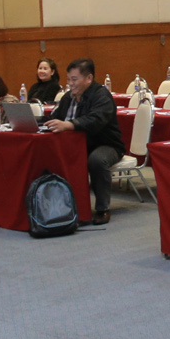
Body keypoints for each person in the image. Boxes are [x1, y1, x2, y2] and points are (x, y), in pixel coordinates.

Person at [44, 58, 119, 225]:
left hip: (105, 144)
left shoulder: (101, 96)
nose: (70, 84)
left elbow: (95, 121)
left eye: (74, 79)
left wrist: (69, 125)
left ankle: (103, 208)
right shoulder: (68, 98)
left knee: (96, 160)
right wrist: (38, 121)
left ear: (89, 78)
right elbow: (56, 117)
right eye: (68, 79)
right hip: (75, 145)